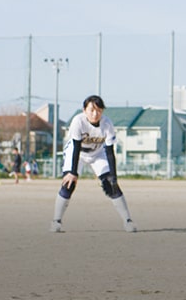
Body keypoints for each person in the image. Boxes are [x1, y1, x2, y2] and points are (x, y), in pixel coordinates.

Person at [49, 95, 137, 233]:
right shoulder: (78, 121)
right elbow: (76, 146)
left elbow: (109, 151)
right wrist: (72, 172)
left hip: (97, 154)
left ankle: (128, 221)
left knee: (111, 184)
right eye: (91, 110)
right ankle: (56, 221)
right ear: (84, 110)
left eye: (99, 110)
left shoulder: (107, 124)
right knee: (69, 184)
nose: (95, 114)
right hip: (76, 153)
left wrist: (113, 176)